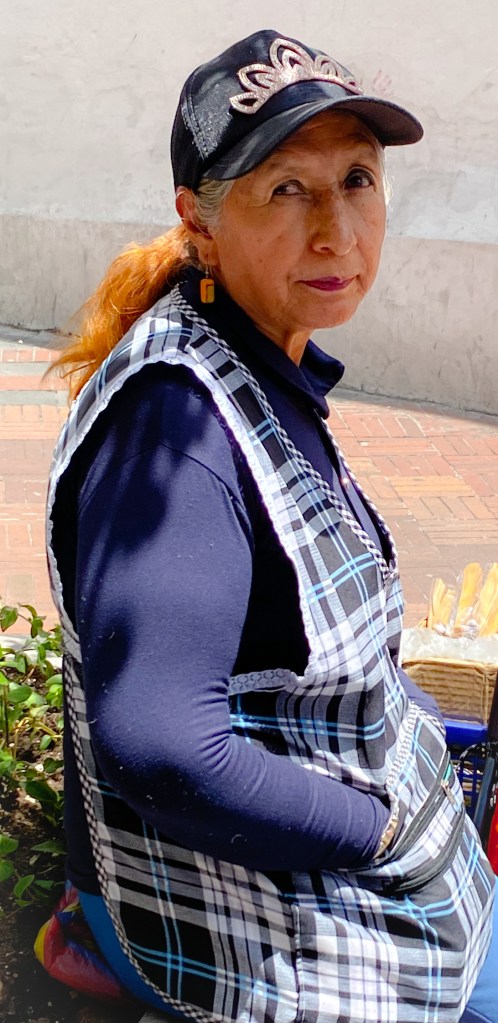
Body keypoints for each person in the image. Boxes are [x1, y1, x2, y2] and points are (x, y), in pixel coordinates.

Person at [45, 28, 497, 1023]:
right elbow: (161, 746)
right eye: (287, 189)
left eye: (357, 180)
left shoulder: (259, 355)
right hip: (224, 909)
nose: (337, 231)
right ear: (200, 224)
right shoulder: (175, 432)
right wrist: (378, 831)